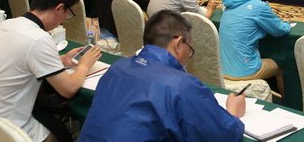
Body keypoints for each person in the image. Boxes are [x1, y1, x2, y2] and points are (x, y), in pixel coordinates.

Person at [0, 0, 101, 142]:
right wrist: (84, 65)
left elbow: (20, 58)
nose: (65, 18)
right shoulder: (39, 38)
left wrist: (61, 59)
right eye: (68, 13)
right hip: (2, 134)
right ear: (59, 8)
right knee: (71, 130)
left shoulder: (7, 25)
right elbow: (68, 89)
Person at [78, 10, 245, 142]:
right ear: (178, 43)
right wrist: (233, 113)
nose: (188, 56)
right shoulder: (182, 84)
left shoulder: (118, 67)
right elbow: (223, 136)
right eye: (189, 49)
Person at [219, 0, 290, 96]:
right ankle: (283, 103)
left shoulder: (229, 3)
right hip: (245, 70)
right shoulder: (259, 6)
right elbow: (280, 30)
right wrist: (287, 23)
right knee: (280, 68)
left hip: (222, 68)